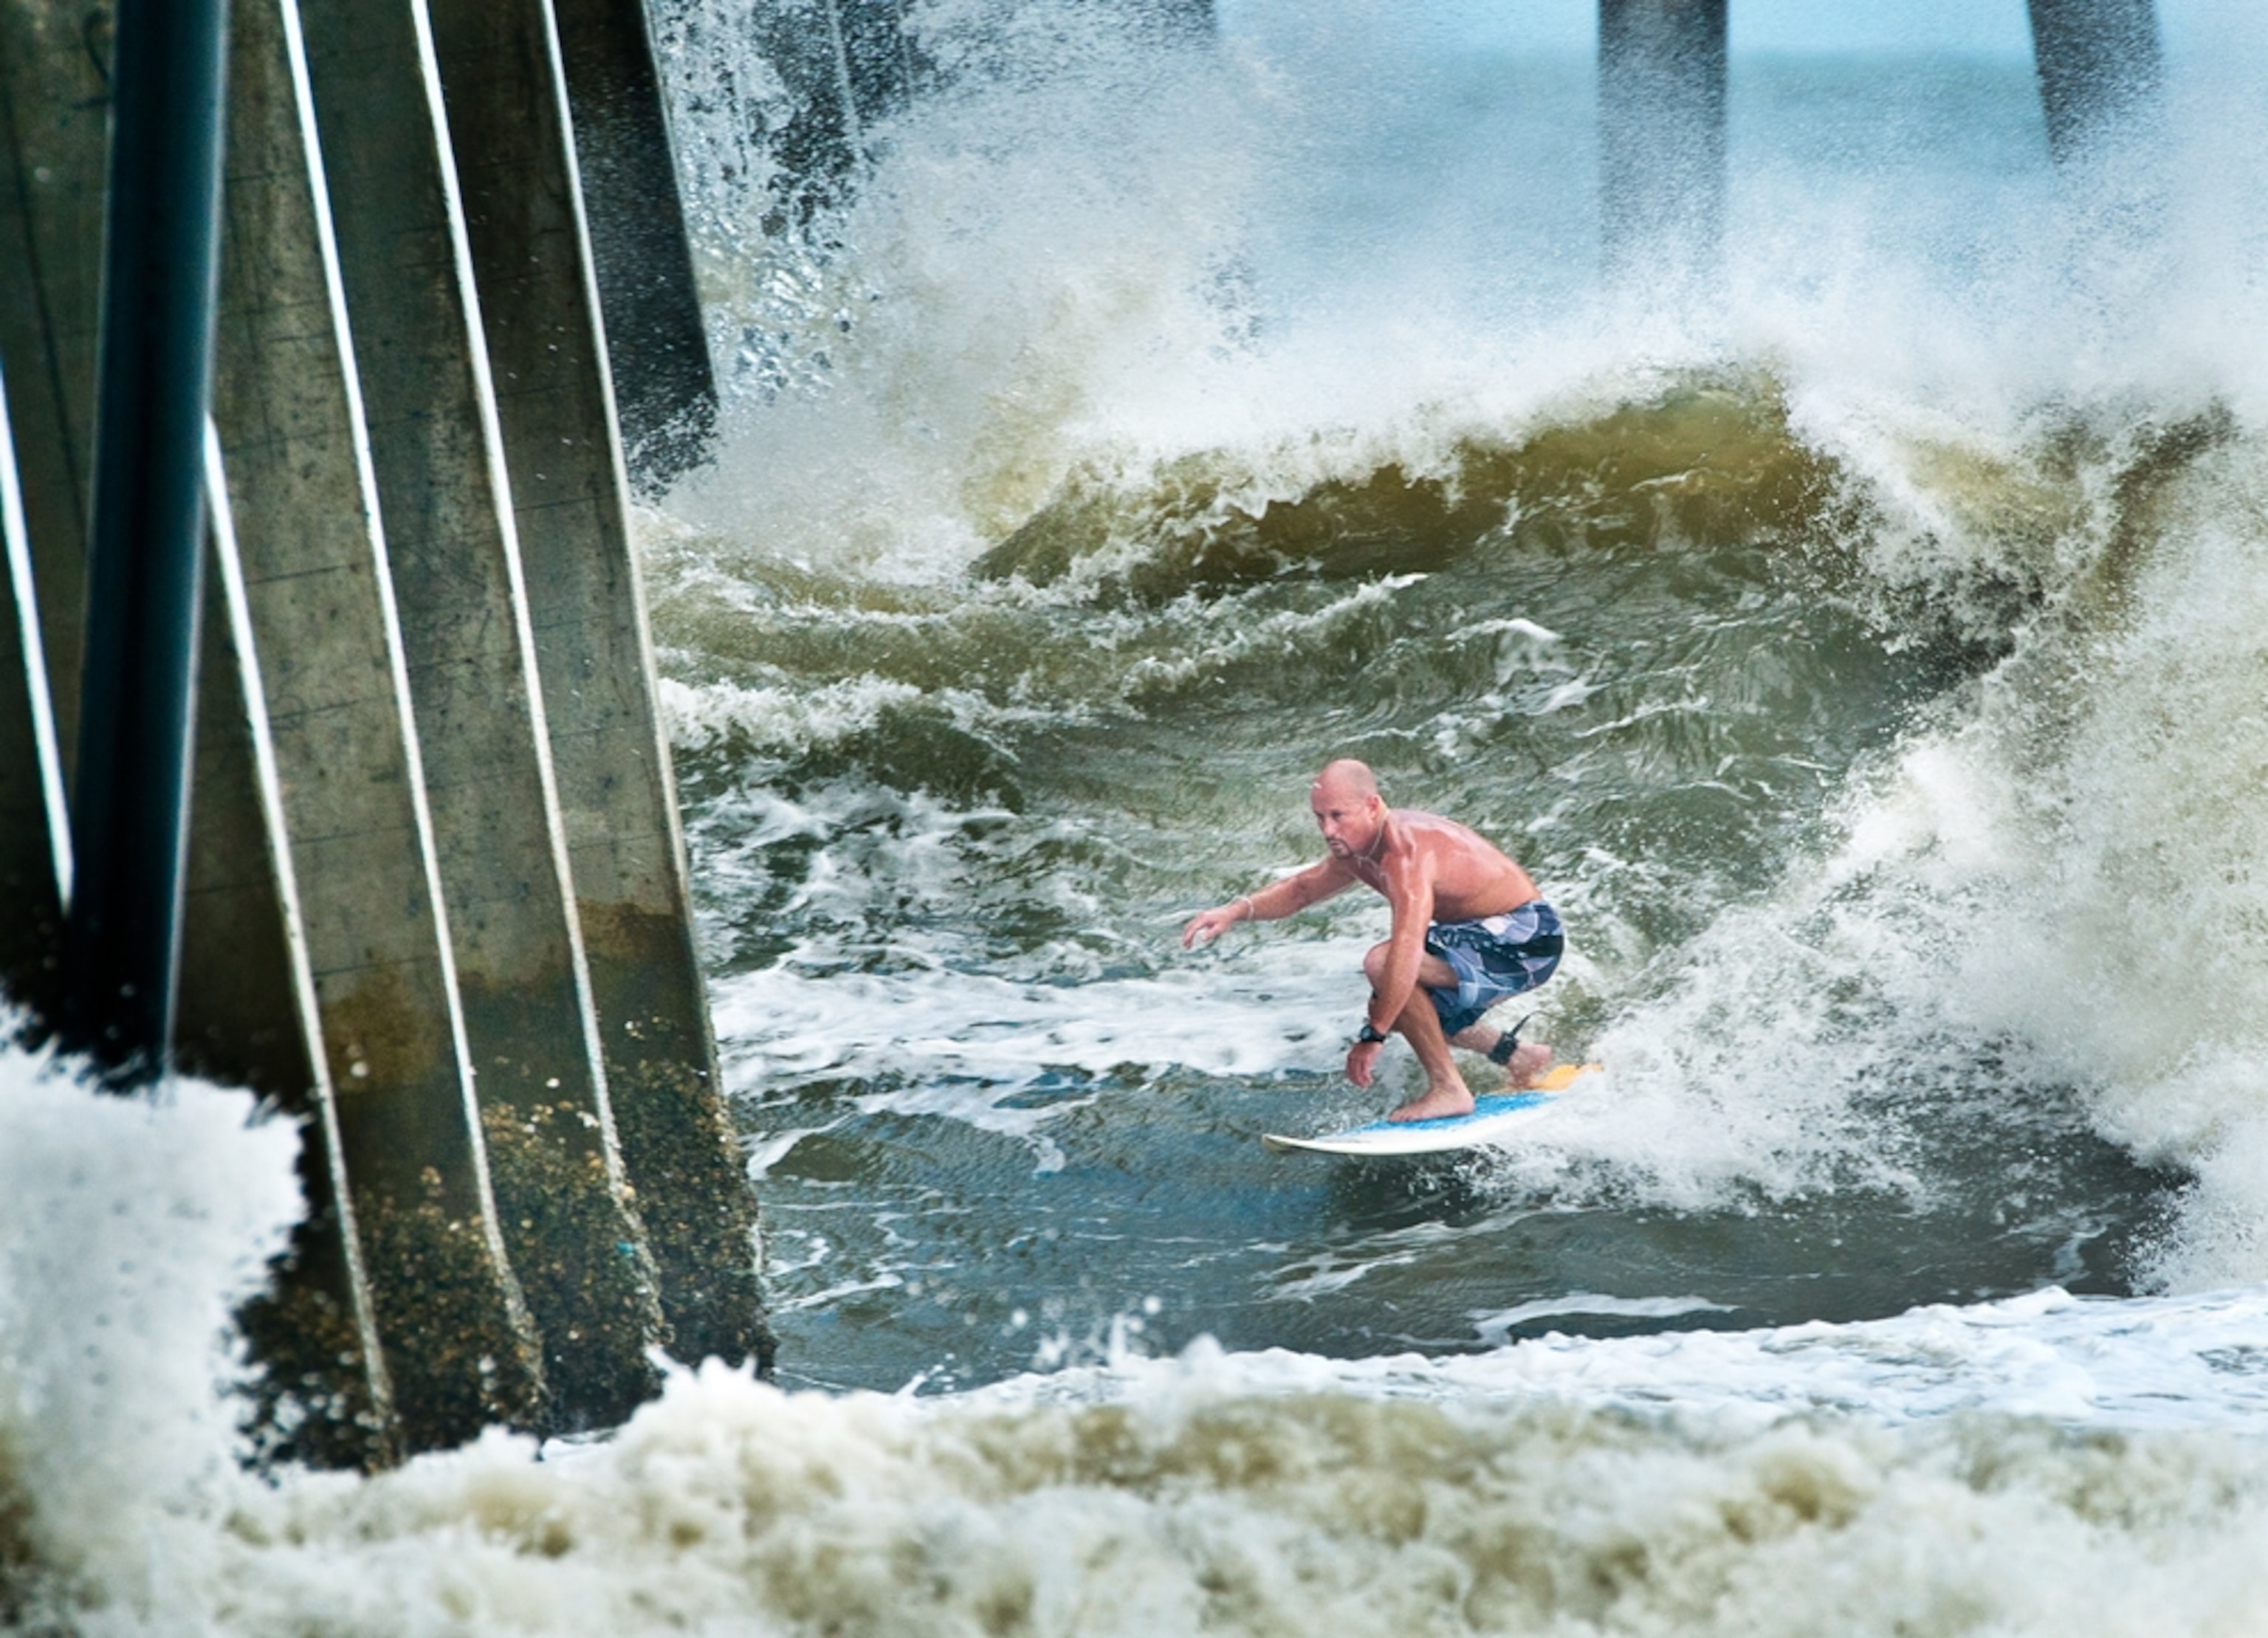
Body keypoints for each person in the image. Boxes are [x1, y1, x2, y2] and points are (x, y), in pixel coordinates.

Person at [1181, 758, 1564, 1122]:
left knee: (1385, 969)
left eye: (1338, 816)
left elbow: (1407, 951)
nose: (1328, 830)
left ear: (1372, 806)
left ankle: (1449, 1089)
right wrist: (1234, 911)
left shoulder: (1406, 856)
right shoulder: (1358, 849)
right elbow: (1301, 889)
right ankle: (1517, 1056)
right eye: (1320, 818)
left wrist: (1372, 1037)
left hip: (1527, 937)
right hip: (1490, 935)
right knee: (1404, 1009)